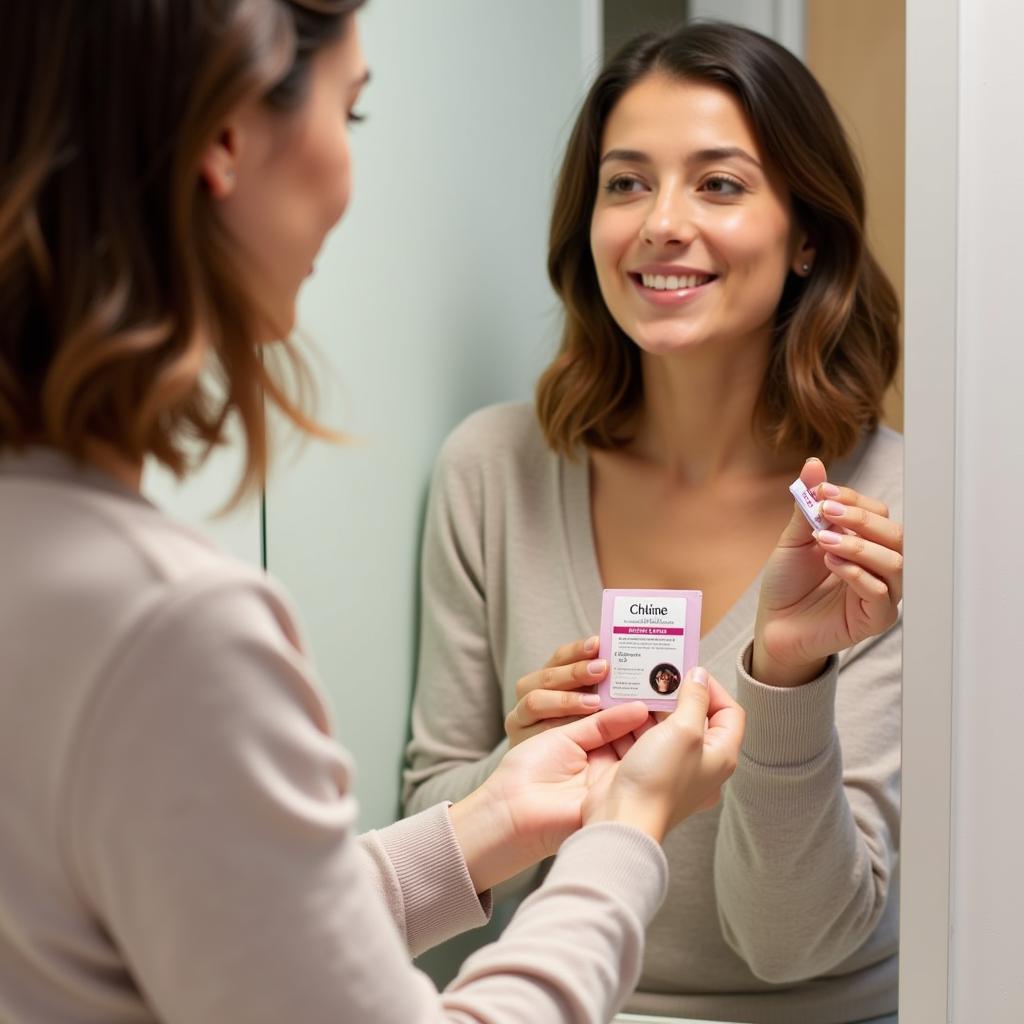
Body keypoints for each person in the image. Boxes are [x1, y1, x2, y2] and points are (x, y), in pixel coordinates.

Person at [0, 4, 747, 1023]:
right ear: (226, 137)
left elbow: (242, 927)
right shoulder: (166, 630)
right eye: (348, 115)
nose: (664, 222)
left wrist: (477, 827)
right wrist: (628, 831)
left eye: (717, 181)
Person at [404, 21, 903, 1024]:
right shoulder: (491, 469)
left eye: (717, 184)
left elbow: (790, 941)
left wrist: (790, 683)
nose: (659, 223)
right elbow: (436, 872)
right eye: (625, 183)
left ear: (807, 232)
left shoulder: (893, 510)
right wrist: (533, 769)